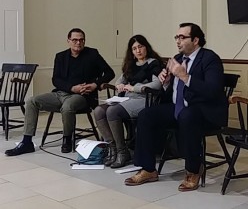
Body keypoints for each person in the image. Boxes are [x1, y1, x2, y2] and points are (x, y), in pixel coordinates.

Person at [124, 23, 228, 191]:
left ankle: (194, 170)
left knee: (188, 116)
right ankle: (148, 169)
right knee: (146, 115)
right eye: (176, 37)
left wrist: (185, 76)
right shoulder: (178, 59)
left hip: (204, 111)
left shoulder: (210, 59)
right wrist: (165, 83)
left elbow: (213, 91)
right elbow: (173, 92)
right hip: (178, 108)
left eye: (182, 37)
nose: (178, 41)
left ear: (195, 40)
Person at [5, 28, 115, 156]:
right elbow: (56, 80)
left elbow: (109, 73)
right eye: (75, 40)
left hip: (83, 96)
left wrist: (94, 85)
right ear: (68, 41)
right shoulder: (60, 56)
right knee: (31, 101)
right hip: (61, 93)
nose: (78, 43)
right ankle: (27, 142)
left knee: (67, 107)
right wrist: (72, 88)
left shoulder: (92, 54)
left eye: (81, 40)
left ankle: (67, 139)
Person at [94, 34, 163, 168]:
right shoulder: (131, 64)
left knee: (113, 111)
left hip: (145, 99)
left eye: (140, 47)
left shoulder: (153, 63)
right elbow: (120, 80)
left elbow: (157, 84)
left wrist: (135, 88)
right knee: (98, 111)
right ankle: (113, 148)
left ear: (146, 47)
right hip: (128, 98)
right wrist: (119, 85)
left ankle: (122, 151)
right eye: (134, 48)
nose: (138, 51)